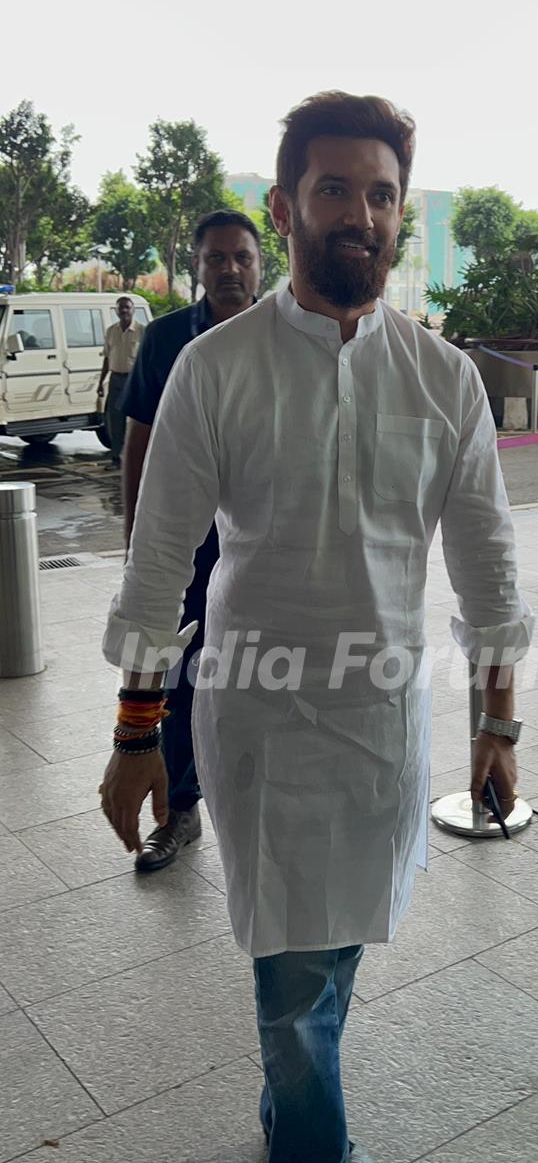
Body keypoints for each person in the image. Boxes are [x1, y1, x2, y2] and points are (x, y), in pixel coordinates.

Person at [99, 91, 534, 1163]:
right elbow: (162, 565)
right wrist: (136, 731)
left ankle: (289, 1095)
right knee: (291, 985)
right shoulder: (217, 368)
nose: (362, 212)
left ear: (399, 218)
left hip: (381, 728)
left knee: (330, 962)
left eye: (381, 194)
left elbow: (488, 567)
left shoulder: (442, 379)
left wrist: (500, 723)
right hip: (260, 721)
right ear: (286, 209)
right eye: (334, 188)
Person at [120, 209, 262, 871]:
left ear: (262, 265)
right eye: (216, 258)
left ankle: (265, 801)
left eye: (242, 257)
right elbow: (139, 444)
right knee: (179, 670)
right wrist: (136, 545)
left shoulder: (290, 340)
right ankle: (181, 809)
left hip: (266, 546)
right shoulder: (167, 340)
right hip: (190, 544)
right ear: (197, 268)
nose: (229, 269)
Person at [98, 296, 144, 466]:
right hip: (116, 379)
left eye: (127, 307)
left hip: (134, 381)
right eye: (121, 308)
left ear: (133, 310)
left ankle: (138, 458)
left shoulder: (142, 331)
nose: (124, 311)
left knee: (138, 421)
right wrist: (101, 383)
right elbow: (107, 358)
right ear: (116, 311)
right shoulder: (111, 331)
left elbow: (147, 360)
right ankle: (116, 457)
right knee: (114, 420)